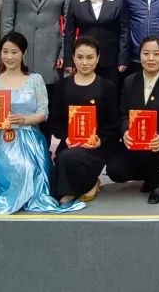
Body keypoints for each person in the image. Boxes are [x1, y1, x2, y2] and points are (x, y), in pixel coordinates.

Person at [0, 31, 83, 213]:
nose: (9, 57)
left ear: (24, 53)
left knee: (29, 168)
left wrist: (26, 120)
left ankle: (29, 196)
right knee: (15, 167)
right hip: (6, 140)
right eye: (5, 52)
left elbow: (43, 113)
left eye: (14, 52)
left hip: (31, 139)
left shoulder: (35, 80)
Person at [0, 0, 74, 139]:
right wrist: (6, 54)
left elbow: (69, 24)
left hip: (51, 55)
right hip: (20, 56)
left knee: (45, 104)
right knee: (18, 102)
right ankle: (15, 145)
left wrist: (65, 52)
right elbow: (6, 22)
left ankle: (43, 149)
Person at [107, 36, 159, 205]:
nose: (151, 58)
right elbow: (123, 114)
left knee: (149, 150)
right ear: (139, 55)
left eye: (156, 54)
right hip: (135, 142)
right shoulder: (130, 81)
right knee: (116, 170)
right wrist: (125, 131)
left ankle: (157, 182)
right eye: (146, 53)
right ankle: (150, 175)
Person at [52, 37, 118, 205]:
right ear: (73, 58)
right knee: (62, 161)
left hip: (97, 146)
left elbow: (113, 123)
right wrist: (66, 137)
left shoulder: (107, 87)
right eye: (80, 57)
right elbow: (55, 120)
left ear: (98, 58)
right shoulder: (62, 86)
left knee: (68, 158)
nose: (85, 62)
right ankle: (89, 183)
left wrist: (100, 140)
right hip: (70, 142)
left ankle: (78, 188)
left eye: (90, 57)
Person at [64, 0, 127, 87]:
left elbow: (124, 32)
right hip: (84, 61)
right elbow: (69, 34)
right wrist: (69, 61)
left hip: (111, 61)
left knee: (110, 94)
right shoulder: (75, 2)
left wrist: (123, 59)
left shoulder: (119, 1)